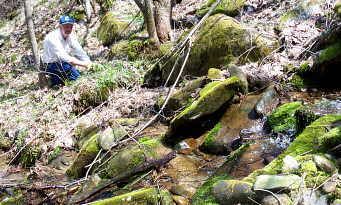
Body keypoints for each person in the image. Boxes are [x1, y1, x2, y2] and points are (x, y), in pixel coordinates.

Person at [42, 15, 92, 86]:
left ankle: (56, 80)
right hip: (51, 64)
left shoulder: (71, 36)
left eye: (70, 26)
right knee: (77, 77)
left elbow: (79, 51)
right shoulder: (52, 38)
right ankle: (52, 80)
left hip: (63, 63)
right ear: (60, 27)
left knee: (72, 74)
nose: (68, 29)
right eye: (66, 26)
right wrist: (84, 64)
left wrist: (89, 62)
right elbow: (64, 57)